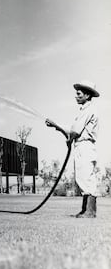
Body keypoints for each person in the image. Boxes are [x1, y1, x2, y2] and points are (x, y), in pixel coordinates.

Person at [46, 80, 100, 218]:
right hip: (81, 146)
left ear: (87, 95)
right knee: (82, 177)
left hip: (85, 146)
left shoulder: (88, 110)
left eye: (79, 93)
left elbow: (74, 132)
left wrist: (59, 129)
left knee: (86, 177)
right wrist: (56, 126)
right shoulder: (85, 110)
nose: (76, 96)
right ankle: (85, 210)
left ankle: (90, 211)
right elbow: (73, 132)